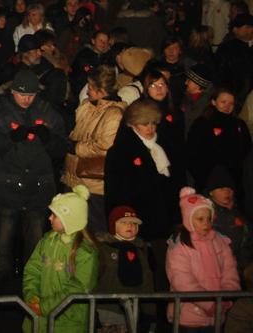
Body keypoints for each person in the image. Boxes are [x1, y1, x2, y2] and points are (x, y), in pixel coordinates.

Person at [0, 69, 70, 295]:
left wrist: (49, 139)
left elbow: (62, 149)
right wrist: (9, 138)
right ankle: (0, 295)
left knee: (36, 245)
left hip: (38, 190)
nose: (26, 99)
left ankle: (33, 292)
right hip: (7, 189)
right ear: (12, 92)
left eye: (31, 94)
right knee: (2, 245)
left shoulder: (48, 113)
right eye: (22, 94)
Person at [22, 185, 98, 333]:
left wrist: (44, 307)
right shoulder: (46, 240)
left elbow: (79, 287)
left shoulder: (86, 252)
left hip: (68, 323)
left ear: (69, 218)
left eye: (55, 215)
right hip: (39, 319)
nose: (49, 217)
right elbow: (32, 269)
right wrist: (32, 298)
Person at [62, 65, 127, 233]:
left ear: (101, 91)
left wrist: (76, 147)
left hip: (94, 185)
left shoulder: (114, 114)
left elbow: (105, 147)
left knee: (94, 232)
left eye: (91, 87)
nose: (88, 90)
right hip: (75, 178)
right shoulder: (88, 106)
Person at [166, 188, 240, 331]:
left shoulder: (220, 241)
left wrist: (226, 298)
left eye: (209, 218)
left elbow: (230, 272)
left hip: (218, 317)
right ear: (188, 219)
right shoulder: (180, 245)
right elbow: (182, 280)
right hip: (188, 317)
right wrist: (209, 304)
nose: (206, 223)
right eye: (200, 219)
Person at [93, 206, 157, 332]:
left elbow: (147, 280)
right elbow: (94, 277)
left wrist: (150, 311)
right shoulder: (103, 249)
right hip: (107, 310)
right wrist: (93, 309)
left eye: (134, 223)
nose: (130, 226)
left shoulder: (141, 251)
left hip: (132, 310)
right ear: (113, 225)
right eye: (124, 222)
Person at [187, 87, 251, 200]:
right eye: (223, 102)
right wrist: (204, 178)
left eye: (231, 103)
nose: (227, 106)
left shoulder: (239, 124)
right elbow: (192, 153)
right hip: (208, 183)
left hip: (234, 182)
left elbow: (246, 150)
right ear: (213, 102)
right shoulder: (202, 123)